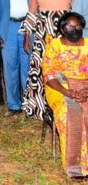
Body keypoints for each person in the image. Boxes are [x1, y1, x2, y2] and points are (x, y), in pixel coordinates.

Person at [19, 0, 73, 120]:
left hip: (64, 35)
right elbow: (32, 12)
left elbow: (73, 10)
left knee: (64, 68)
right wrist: (27, 35)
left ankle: (65, 103)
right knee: (42, 70)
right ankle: (40, 107)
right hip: (44, 36)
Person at [42, 12, 88, 177]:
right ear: (62, 29)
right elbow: (48, 75)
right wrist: (67, 92)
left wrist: (85, 91)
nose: (75, 29)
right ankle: (75, 167)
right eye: (70, 26)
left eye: (78, 26)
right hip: (59, 87)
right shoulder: (55, 45)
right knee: (67, 113)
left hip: (85, 87)